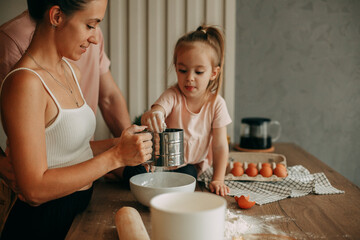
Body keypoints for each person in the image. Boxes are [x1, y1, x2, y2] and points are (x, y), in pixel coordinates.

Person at [0, 0, 152, 239]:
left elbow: (69, 153)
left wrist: (120, 143)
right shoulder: (25, 83)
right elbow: (34, 189)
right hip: (41, 226)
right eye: (90, 25)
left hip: (76, 213)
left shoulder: (70, 71)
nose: (94, 38)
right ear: (57, 16)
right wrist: (116, 157)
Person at [123, 25, 232, 196]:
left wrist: (218, 179)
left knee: (188, 179)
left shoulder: (217, 104)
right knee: (133, 174)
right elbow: (159, 109)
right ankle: (116, 171)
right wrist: (155, 115)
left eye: (199, 71)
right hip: (159, 162)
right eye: (183, 70)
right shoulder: (173, 95)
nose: (189, 77)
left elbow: (219, 146)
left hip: (187, 165)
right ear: (176, 68)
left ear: (213, 73)